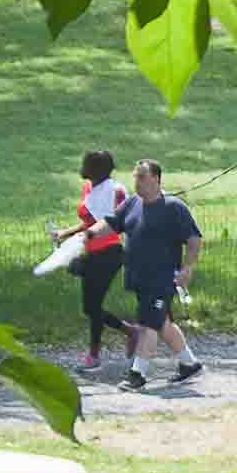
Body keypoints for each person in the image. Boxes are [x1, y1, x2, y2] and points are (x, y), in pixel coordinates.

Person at [115, 157, 202, 387]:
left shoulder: (174, 207)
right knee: (161, 323)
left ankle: (138, 374)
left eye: (141, 176)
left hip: (161, 279)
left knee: (148, 325)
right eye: (135, 176)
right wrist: (86, 236)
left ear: (156, 179)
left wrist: (188, 267)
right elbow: (111, 222)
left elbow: (194, 239)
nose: (137, 181)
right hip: (140, 279)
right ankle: (189, 364)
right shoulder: (133, 203)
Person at [65, 147, 133, 374]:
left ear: (95, 169)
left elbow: (112, 222)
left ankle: (94, 355)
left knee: (92, 306)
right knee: (90, 307)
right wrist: (65, 233)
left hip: (109, 253)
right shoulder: (88, 187)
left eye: (85, 163)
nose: (81, 167)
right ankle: (130, 332)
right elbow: (89, 222)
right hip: (91, 251)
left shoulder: (115, 191)